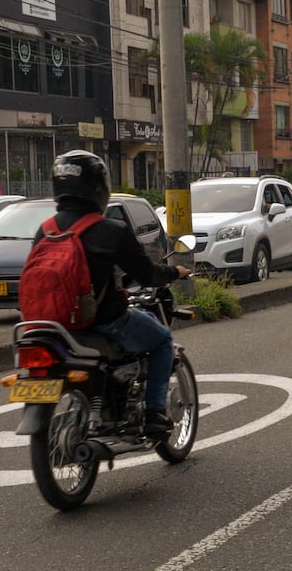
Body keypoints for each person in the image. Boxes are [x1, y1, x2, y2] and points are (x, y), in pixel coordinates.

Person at [34, 150, 191, 436]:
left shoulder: (45, 231)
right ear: (99, 187)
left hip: (52, 326)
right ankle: (155, 413)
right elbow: (147, 273)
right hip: (104, 321)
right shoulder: (110, 230)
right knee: (162, 341)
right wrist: (174, 272)